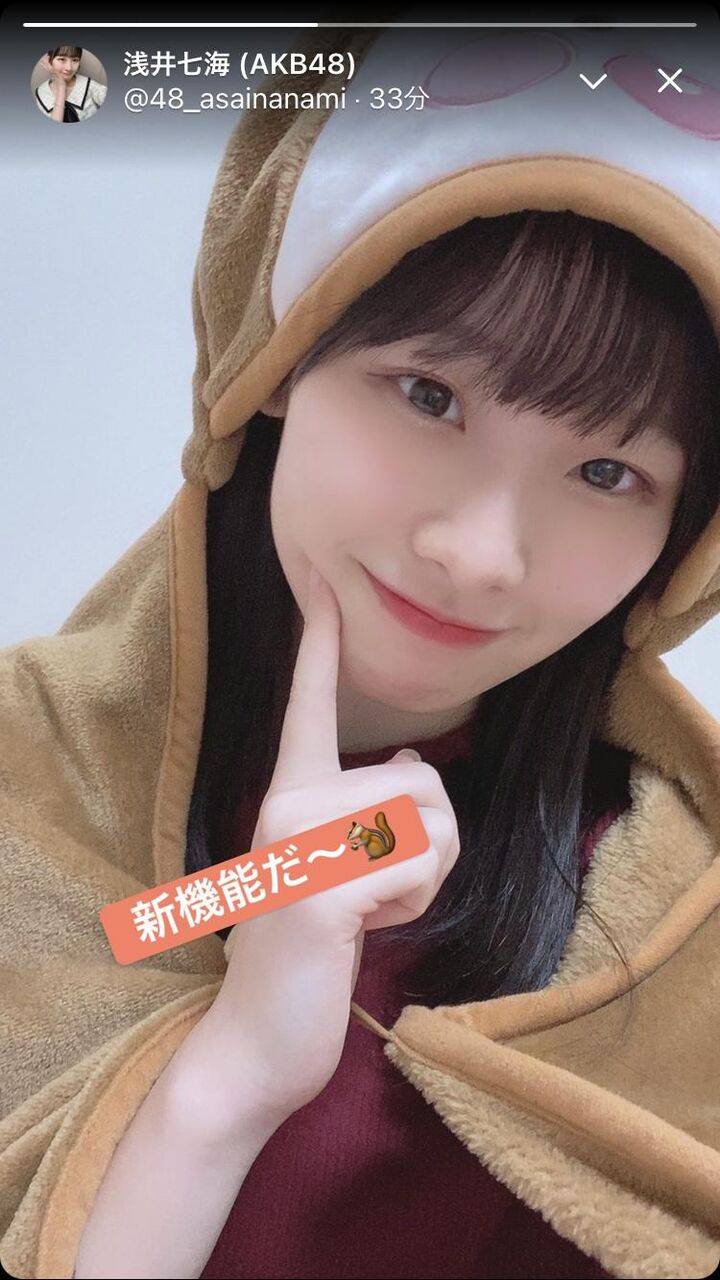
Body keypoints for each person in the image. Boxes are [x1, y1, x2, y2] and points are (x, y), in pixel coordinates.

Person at [2, 22, 720, 1280]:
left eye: (609, 471)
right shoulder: (28, 779)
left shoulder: (678, 920)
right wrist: (229, 1077)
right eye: (431, 394)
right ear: (280, 357)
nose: (482, 553)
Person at [35, 47, 107, 123]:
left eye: (75, 60)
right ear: (50, 61)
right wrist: (62, 87)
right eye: (62, 59)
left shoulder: (90, 85)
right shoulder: (41, 93)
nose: (69, 68)